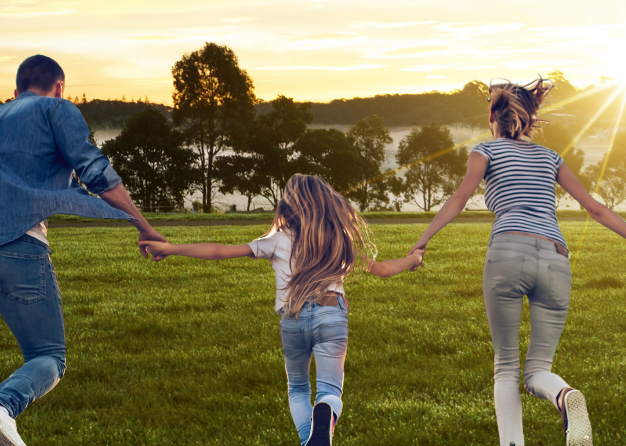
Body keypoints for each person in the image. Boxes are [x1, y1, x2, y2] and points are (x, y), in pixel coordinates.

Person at [411, 78, 626, 446]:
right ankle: (564, 395)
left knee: (506, 369)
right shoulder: (550, 157)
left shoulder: (485, 151)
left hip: (509, 250)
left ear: (493, 113)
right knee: (539, 369)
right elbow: (596, 208)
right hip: (557, 258)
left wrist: (422, 243)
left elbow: (460, 199)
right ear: (530, 116)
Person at [0, 54, 167, 446]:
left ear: (14, 92)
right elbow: (96, 172)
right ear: (60, 86)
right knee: (49, 356)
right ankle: (2, 407)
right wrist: (144, 226)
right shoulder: (56, 109)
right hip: (16, 244)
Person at [140, 174, 423, 445]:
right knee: (329, 391)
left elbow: (218, 250)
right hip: (331, 313)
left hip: (293, 317)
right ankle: (323, 416)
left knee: (298, 389)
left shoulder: (277, 239)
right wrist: (412, 260)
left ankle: (311, 442)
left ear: (288, 207)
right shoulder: (338, 239)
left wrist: (170, 247)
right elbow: (383, 270)